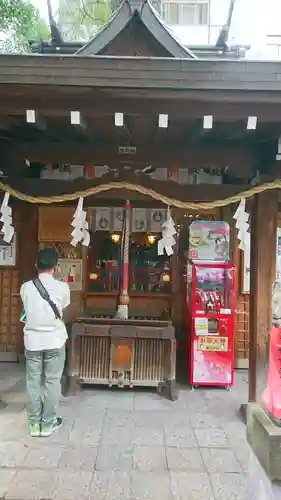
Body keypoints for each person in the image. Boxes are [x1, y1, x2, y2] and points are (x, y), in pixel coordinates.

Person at [20, 248, 70, 437]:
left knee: (33, 382)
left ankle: (34, 424)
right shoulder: (62, 288)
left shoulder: (25, 287)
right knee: (52, 381)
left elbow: (27, 309)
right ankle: (48, 423)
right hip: (55, 340)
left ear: (36, 266)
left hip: (32, 341)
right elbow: (63, 307)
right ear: (55, 268)